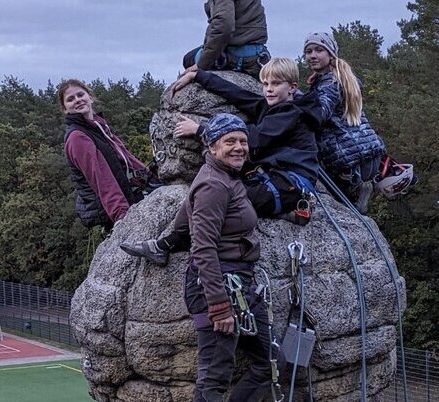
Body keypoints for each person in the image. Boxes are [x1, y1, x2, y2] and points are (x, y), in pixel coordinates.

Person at [121, 57, 320, 264]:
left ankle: (167, 245)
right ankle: (167, 244)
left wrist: (200, 130)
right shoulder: (271, 107)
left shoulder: (292, 113)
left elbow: (253, 138)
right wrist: (198, 75)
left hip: (291, 186)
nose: (269, 89)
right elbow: (236, 94)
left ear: (292, 87)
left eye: (276, 84)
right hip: (274, 180)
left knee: (220, 198)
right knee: (205, 189)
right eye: (265, 84)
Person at [179, 113, 281, 402]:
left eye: (242, 141)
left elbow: (181, 221)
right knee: (214, 377)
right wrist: (219, 305)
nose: (239, 147)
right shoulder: (213, 184)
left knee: (270, 362)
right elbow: (202, 246)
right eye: (229, 142)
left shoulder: (228, 177)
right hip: (216, 287)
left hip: (241, 284)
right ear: (212, 147)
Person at [303, 32, 415, 213]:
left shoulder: (329, 84)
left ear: (331, 53)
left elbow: (319, 114)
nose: (312, 55)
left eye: (319, 50)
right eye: (308, 51)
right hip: (367, 156)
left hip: (348, 161)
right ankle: (359, 194)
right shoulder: (342, 79)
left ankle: (356, 194)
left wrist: (293, 105)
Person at [59, 79, 156, 232]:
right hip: (116, 208)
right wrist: (122, 215)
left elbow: (125, 156)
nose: (77, 100)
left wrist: (151, 176)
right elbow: (100, 178)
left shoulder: (98, 125)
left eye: (80, 95)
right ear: (65, 109)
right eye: (70, 99)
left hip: (129, 194)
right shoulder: (77, 137)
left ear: (90, 97)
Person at [182, 0, 270, 77]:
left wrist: (201, 65)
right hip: (258, 55)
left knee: (189, 59)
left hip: (238, 56)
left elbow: (224, 26)